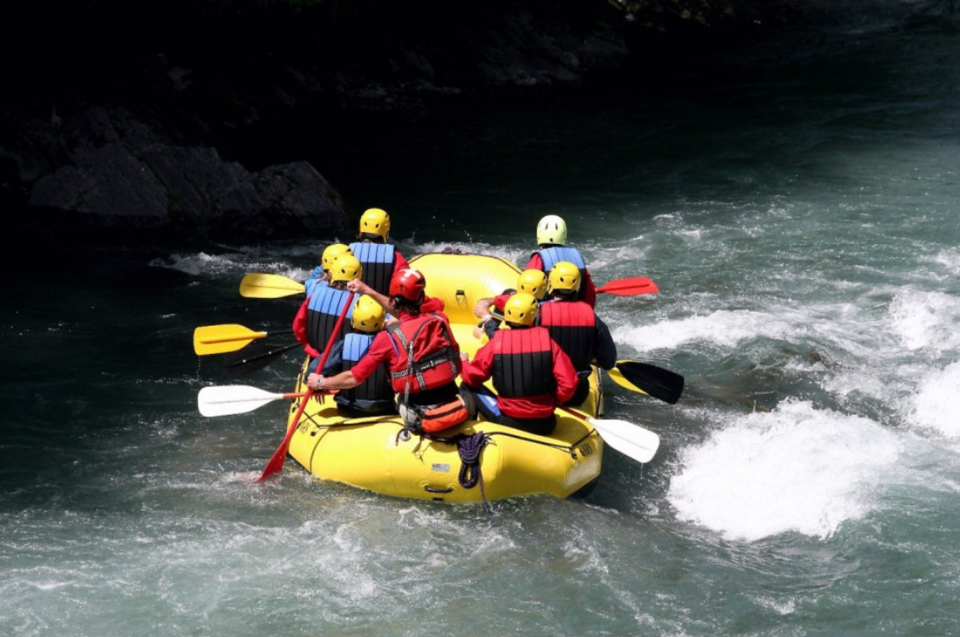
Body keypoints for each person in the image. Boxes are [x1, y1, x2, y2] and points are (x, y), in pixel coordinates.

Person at [308, 268, 468, 434]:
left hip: (420, 414)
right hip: (455, 403)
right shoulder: (440, 319)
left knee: (403, 398)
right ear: (421, 297)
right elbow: (408, 315)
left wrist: (321, 382)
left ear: (393, 301)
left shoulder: (387, 338)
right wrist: (367, 290)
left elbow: (354, 378)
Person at [459, 292, 578, 436]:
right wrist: (553, 400)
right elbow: (569, 384)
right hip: (545, 424)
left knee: (466, 386)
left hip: (507, 421)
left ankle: (469, 432)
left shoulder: (496, 343)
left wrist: (463, 362)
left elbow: (472, 377)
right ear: (535, 317)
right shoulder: (549, 343)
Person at [538, 261, 617, 406]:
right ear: (577, 287)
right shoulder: (592, 317)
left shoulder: (538, 314)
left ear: (551, 285)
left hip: (543, 390)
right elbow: (609, 362)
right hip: (577, 394)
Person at [318, 294, 397, 418]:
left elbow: (315, 370)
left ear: (353, 320)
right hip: (384, 409)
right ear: (383, 322)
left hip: (348, 410)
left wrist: (319, 384)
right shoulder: (393, 344)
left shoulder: (343, 345)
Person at [292, 254, 363, 374]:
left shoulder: (315, 294)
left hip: (315, 358)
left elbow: (298, 328)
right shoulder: (361, 302)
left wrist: (309, 346)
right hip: (344, 363)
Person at [523, 214, 597, 307]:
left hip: (548, 310)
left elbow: (527, 288)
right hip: (577, 309)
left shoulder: (539, 259)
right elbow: (590, 293)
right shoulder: (577, 256)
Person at [348, 208, 411, 297]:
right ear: (386, 231)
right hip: (381, 304)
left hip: (352, 304)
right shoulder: (395, 256)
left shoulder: (347, 252)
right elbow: (406, 286)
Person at [472, 268, 548, 340]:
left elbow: (501, 341)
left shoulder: (511, 300)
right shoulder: (511, 298)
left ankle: (488, 329)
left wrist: (482, 336)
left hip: (519, 338)